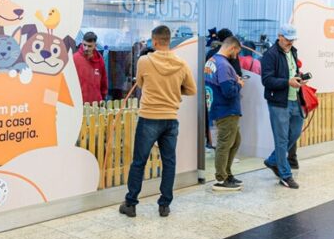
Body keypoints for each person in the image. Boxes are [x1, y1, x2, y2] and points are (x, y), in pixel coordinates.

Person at [120, 25, 197, 218]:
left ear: (154, 41)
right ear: (168, 40)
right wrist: (173, 91)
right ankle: (164, 205)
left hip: (149, 117)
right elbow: (192, 90)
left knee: (139, 162)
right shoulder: (181, 64)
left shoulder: (144, 61)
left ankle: (131, 204)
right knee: (169, 162)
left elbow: (140, 83)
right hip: (170, 119)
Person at [260, 24, 305, 189]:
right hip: (279, 102)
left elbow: (291, 72)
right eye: (287, 39)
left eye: (292, 39)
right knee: (281, 139)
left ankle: (273, 160)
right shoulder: (270, 55)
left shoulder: (293, 51)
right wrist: (287, 82)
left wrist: (299, 78)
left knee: (296, 132)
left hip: (295, 100)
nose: (290, 42)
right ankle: (285, 175)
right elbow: (267, 80)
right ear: (279, 36)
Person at [205, 36, 245, 192]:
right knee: (224, 144)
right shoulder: (223, 65)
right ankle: (221, 178)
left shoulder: (212, 61)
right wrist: (239, 84)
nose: (237, 55)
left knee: (235, 141)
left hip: (218, 108)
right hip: (226, 110)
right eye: (237, 51)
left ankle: (227, 173)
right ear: (232, 48)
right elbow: (228, 91)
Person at [73, 31, 108, 104]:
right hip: (79, 103)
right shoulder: (74, 59)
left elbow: (104, 81)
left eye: (89, 46)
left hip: (96, 103)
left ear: (95, 45)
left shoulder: (100, 60)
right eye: (84, 45)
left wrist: (103, 97)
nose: (86, 48)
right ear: (82, 42)